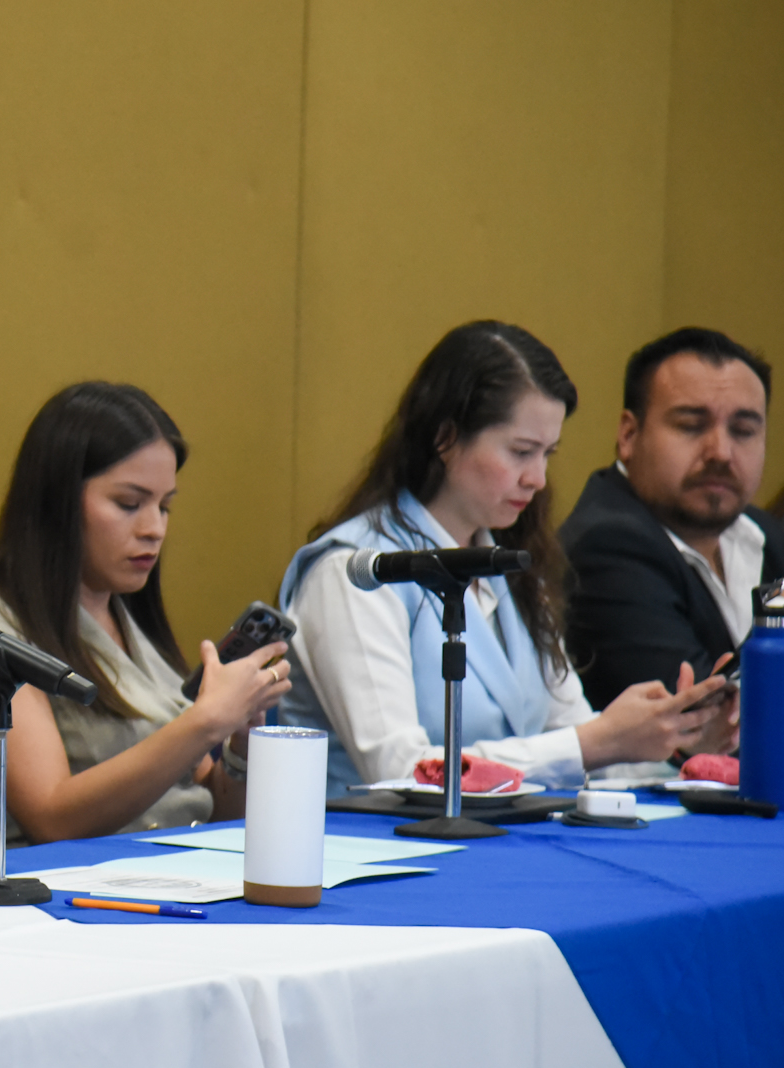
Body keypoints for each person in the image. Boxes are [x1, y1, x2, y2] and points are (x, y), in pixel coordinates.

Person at [277, 321, 732, 795]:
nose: (537, 478)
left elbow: (576, 742)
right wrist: (594, 742)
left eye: (547, 454)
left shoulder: (510, 568)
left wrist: (675, 742)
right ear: (445, 438)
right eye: (521, 452)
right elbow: (402, 769)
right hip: (361, 838)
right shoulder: (354, 571)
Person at [0, 382, 289, 843]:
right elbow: (49, 816)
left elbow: (210, 807)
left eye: (164, 506)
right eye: (129, 504)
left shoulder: (128, 617)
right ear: (58, 501)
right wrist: (205, 722)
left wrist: (240, 744)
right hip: (73, 881)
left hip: (181, 865)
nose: (154, 528)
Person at [561, 328, 784, 746]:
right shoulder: (604, 546)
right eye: (691, 426)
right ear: (629, 435)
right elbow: (707, 729)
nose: (720, 452)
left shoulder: (758, 532)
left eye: (743, 431)